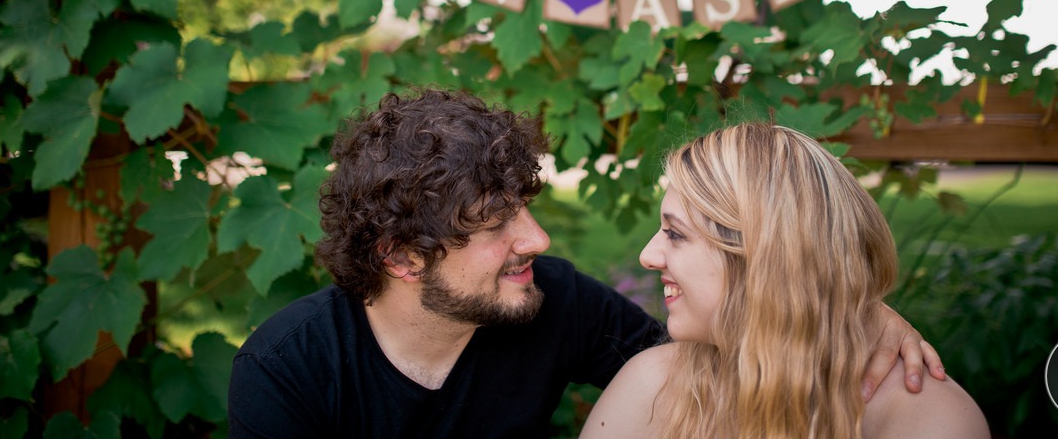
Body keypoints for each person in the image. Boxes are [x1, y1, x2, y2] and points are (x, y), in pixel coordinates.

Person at [227, 89, 945, 438]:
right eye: (497, 225)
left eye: (526, 207)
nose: (536, 240)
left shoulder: (552, 301)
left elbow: (719, 350)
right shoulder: (291, 369)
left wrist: (853, 305)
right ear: (405, 259)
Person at [581, 121, 990, 439]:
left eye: (676, 233)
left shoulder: (925, 419)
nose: (647, 256)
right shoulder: (655, 383)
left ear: (765, 259)